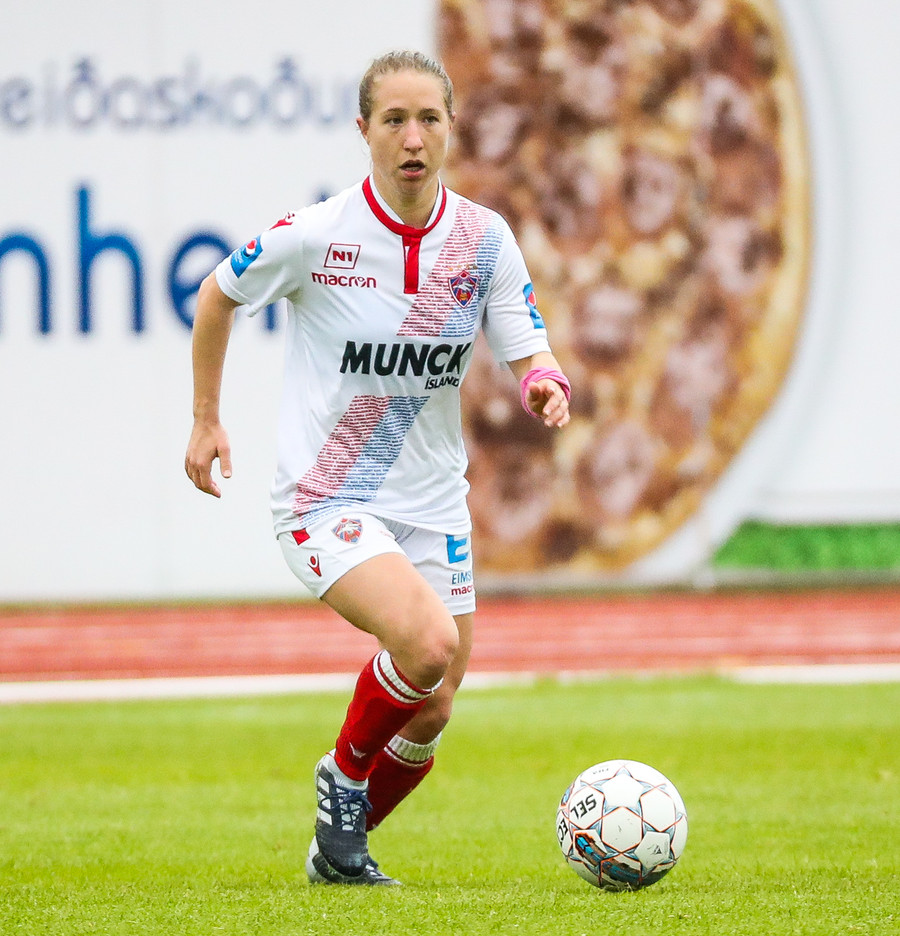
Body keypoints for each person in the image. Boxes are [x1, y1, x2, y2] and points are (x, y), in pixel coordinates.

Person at [184, 50, 571, 886]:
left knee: (433, 707)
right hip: (327, 498)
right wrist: (206, 418)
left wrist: (543, 382)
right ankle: (343, 775)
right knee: (426, 645)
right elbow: (217, 295)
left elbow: (527, 344)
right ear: (363, 130)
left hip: (434, 503)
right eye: (394, 120)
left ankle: (337, 854)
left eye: (429, 118)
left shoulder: (483, 240)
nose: (413, 138)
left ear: (452, 127)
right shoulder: (317, 236)